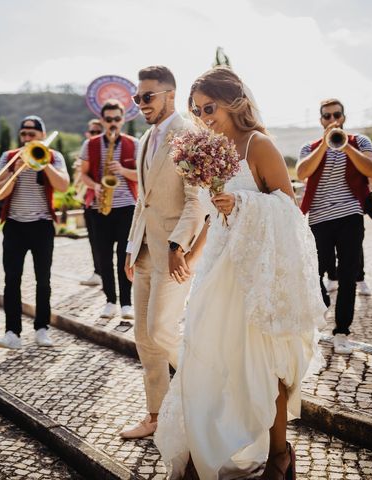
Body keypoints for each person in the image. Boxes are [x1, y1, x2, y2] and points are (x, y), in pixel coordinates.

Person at [155, 67, 325, 479]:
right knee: (203, 360)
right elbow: (214, 213)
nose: (203, 116)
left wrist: (245, 206)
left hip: (256, 276)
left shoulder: (258, 145)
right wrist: (191, 256)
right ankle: (200, 453)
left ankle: (279, 455)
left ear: (235, 102)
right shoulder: (208, 148)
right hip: (218, 270)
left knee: (263, 364)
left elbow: (289, 210)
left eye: (208, 107)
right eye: (196, 111)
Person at [120, 65, 204, 439]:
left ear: (170, 94)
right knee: (142, 336)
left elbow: (195, 201)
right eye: (137, 98)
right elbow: (143, 202)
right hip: (142, 252)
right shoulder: (144, 140)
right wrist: (129, 247)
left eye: (147, 96)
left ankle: (207, 384)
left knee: (160, 329)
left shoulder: (188, 134)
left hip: (172, 253)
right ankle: (156, 417)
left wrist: (178, 246)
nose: (141, 103)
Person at [296, 99, 372, 354]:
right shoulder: (309, 147)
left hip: (350, 215)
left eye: (336, 114)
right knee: (316, 272)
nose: (332, 119)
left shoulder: (360, 141)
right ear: (321, 120)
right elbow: (301, 173)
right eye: (327, 116)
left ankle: (342, 331)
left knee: (347, 275)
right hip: (319, 218)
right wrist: (324, 144)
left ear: (343, 117)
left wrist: (345, 147)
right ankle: (320, 311)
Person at [0, 115, 70, 349]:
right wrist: (13, 170)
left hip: (42, 226)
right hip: (14, 225)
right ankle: (12, 332)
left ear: (42, 136)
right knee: (11, 280)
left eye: (31, 134)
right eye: (23, 134)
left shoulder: (54, 157)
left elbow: (64, 185)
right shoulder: (8, 157)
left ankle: (42, 329)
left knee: (43, 280)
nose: (26, 138)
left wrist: (43, 164)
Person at [80, 100, 139, 320]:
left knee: (124, 256)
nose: (112, 123)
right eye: (108, 119)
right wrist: (94, 185)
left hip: (126, 207)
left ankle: (126, 303)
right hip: (99, 207)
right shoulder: (91, 144)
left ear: (123, 119)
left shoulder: (134, 144)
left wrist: (122, 170)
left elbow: (143, 176)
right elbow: (84, 173)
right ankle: (110, 301)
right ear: (102, 120)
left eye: (116, 119)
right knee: (104, 257)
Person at [75, 119, 104, 287]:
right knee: (94, 240)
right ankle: (98, 272)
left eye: (96, 131)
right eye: (91, 132)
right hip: (90, 200)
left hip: (108, 201)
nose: (93, 135)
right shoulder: (88, 149)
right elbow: (80, 179)